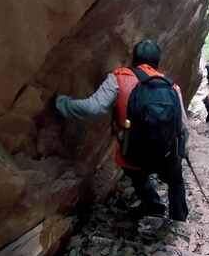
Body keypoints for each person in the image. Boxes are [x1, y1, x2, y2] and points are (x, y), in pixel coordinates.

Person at [54, 39, 189, 221]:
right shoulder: (172, 87)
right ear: (158, 62)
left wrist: (63, 103)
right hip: (164, 155)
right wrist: (182, 152)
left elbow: (94, 107)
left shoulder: (119, 78)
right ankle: (178, 219)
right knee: (176, 180)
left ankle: (153, 205)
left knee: (135, 174)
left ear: (133, 58)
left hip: (133, 155)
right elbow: (182, 126)